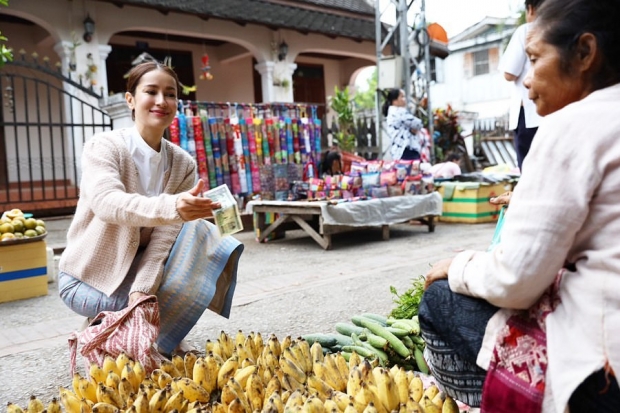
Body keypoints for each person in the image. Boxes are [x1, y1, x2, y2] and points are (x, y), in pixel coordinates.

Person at [420, 0, 620, 411]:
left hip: (603, 374)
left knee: (439, 298)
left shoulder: (570, 126)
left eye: (534, 59)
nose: (527, 81)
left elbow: (516, 281)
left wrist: (459, 267)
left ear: (584, 52)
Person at [58, 62, 244, 357]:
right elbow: (109, 203)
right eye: (151, 91)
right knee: (151, 307)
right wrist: (173, 206)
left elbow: (162, 242)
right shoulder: (104, 147)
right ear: (130, 99)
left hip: (135, 274)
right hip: (86, 278)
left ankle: (152, 333)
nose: (161, 101)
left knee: (201, 244)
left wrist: (142, 295)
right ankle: (103, 330)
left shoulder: (182, 164)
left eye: (169, 94)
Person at [499, 0, 546, 171]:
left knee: (529, 169)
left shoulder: (527, 31)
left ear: (531, 9)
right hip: (556, 113)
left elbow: (509, 73)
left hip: (530, 113)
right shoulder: (564, 31)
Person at [382, 88, 424, 161]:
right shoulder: (399, 112)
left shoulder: (392, 112)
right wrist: (413, 129)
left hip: (398, 152)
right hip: (405, 150)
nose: (405, 99)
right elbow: (418, 124)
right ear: (394, 100)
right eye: (402, 96)